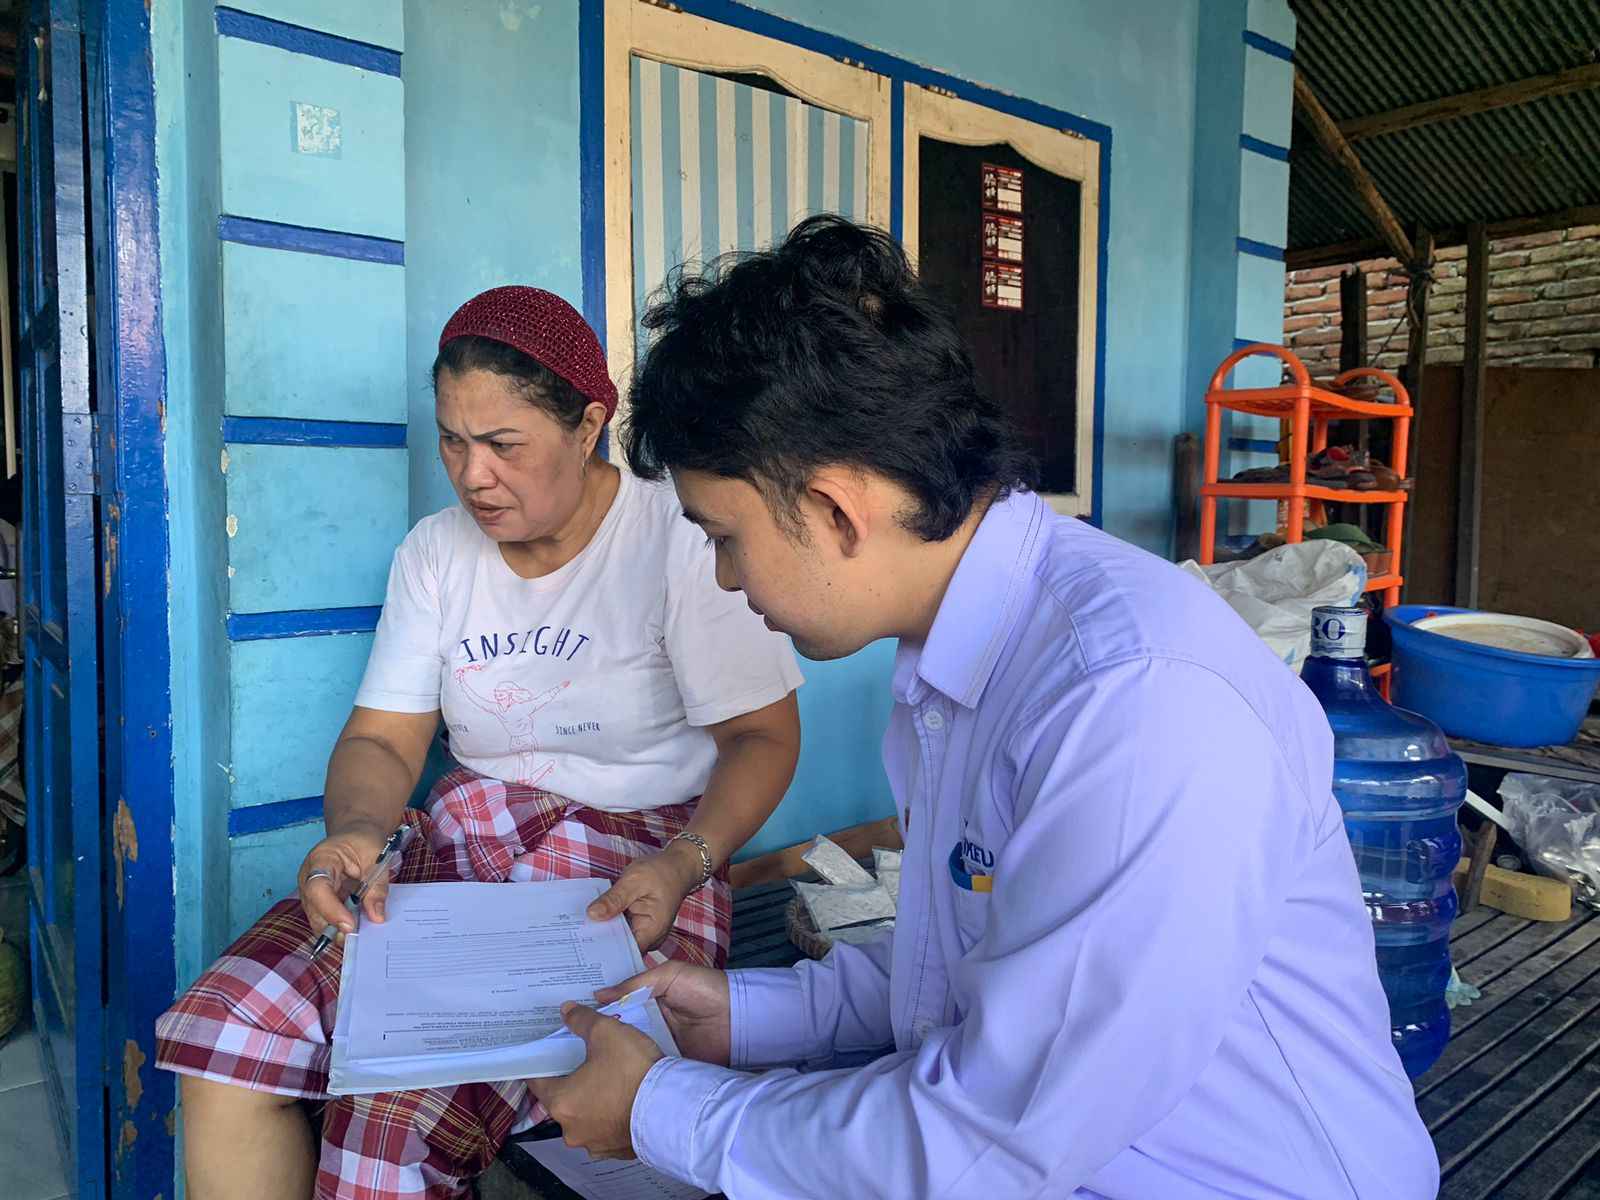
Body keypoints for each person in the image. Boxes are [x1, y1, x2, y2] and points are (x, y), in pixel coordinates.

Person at [528, 217, 1441, 1199]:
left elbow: (996, 1140)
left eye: (723, 537)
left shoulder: (1132, 702)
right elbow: (977, 957)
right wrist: (747, 1014)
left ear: (835, 510)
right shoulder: (965, 654)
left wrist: (659, 1111)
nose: (723, 576)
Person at [155, 286, 804, 1200]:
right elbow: (384, 739)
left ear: (589, 425)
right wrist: (357, 832)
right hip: (464, 847)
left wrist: (686, 862)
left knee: (393, 1117)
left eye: (503, 444)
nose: (472, 475)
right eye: (452, 442)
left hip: (638, 865)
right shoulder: (435, 553)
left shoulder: (679, 535)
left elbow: (762, 737)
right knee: (225, 1040)